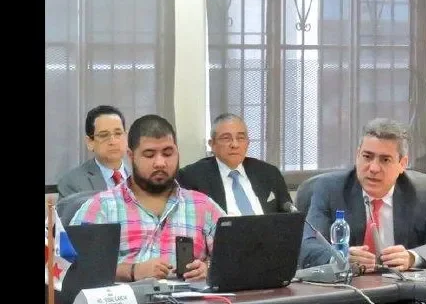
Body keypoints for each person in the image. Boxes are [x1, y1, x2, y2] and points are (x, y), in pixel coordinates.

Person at [71, 115, 225, 283]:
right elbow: (72, 267)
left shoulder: (203, 206)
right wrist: (131, 271)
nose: (160, 163)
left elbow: (235, 259)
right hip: (128, 299)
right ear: (131, 156)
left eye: (168, 153)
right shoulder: (101, 207)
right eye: (149, 155)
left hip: (191, 298)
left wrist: (208, 269)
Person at [300, 118, 426, 271]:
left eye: (385, 160)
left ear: (402, 164)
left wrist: (412, 257)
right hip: (348, 285)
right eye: (367, 157)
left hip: (401, 286)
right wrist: (340, 257)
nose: (374, 168)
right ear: (357, 155)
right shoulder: (330, 189)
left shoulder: (424, 191)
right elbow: (306, 247)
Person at [177, 113, 294, 216]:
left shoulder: (269, 173)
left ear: (248, 143)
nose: (235, 144)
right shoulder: (192, 177)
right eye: (226, 138)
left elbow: (289, 217)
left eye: (240, 138)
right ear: (212, 144)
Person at [57, 105, 130, 199]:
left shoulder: (141, 176)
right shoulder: (72, 183)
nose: (113, 141)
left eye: (118, 133)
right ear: (90, 142)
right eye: (104, 135)